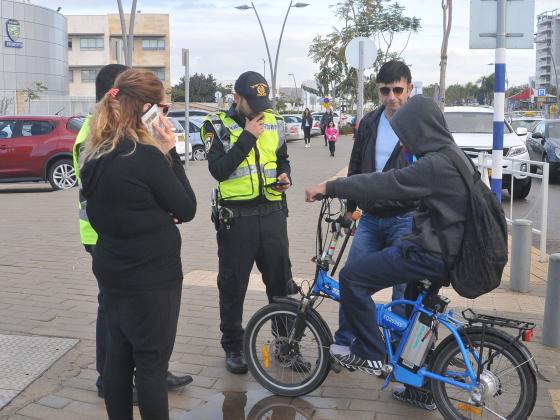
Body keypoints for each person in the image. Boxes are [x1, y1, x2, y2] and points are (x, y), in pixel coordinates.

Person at [305, 94, 469, 409]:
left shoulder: (434, 165)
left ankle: (371, 354)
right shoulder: (450, 154)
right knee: (414, 316)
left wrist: (329, 187)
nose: (404, 143)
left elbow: (384, 183)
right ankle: (418, 385)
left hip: (432, 253)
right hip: (446, 249)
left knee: (353, 278)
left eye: (407, 134)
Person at [79, 69, 197, 419]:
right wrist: (170, 152)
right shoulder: (145, 156)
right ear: (145, 109)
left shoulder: (96, 154)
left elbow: (124, 205)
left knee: (118, 357)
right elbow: (186, 207)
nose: (164, 114)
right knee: (150, 365)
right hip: (152, 278)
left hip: (112, 268)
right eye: (161, 107)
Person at [200, 71, 305, 374]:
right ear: (237, 99)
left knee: (281, 285)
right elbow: (218, 170)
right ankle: (233, 346)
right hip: (236, 220)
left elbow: (282, 158)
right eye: (253, 102)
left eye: (263, 102)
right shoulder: (215, 126)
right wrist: (248, 136)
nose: (260, 110)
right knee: (233, 286)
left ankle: (285, 346)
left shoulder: (274, 121)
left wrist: (285, 176)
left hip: (272, 214)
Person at [332, 60, 417, 351]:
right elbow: (355, 168)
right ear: (377, 91)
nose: (392, 96)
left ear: (409, 89)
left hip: (406, 218)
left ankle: (399, 351)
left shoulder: (419, 125)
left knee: (403, 289)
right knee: (351, 278)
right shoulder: (369, 122)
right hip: (369, 217)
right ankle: (346, 341)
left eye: (398, 89)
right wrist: (348, 209)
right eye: (385, 90)